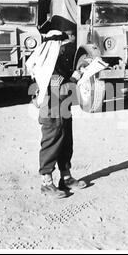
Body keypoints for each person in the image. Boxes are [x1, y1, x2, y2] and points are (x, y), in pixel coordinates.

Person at [30, 28, 87, 199]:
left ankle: (66, 178)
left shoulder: (57, 62)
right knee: (51, 144)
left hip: (63, 109)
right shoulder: (49, 67)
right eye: (63, 46)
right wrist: (76, 78)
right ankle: (46, 184)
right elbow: (60, 90)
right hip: (52, 110)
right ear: (55, 46)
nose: (64, 49)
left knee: (65, 142)